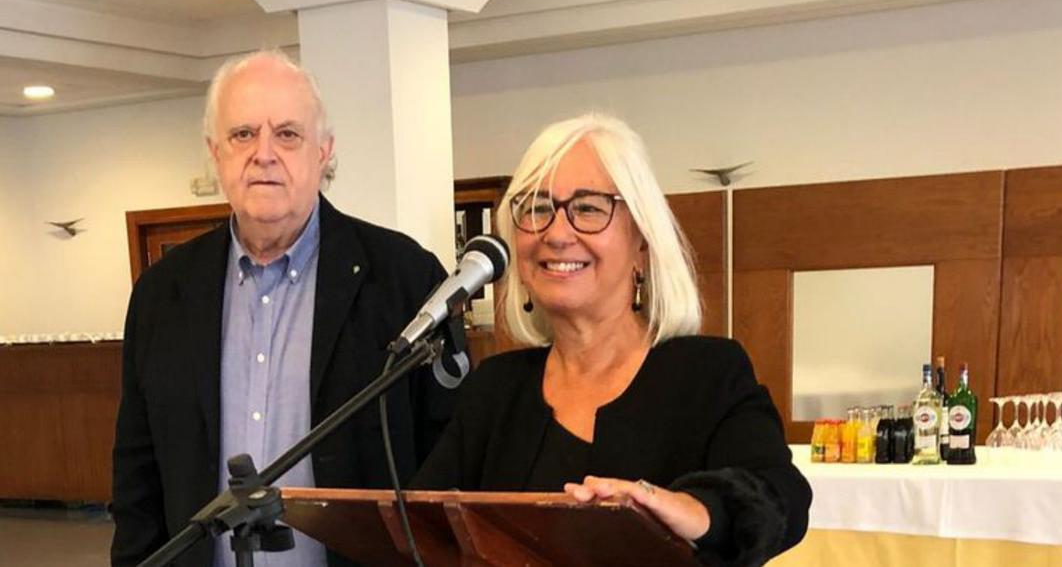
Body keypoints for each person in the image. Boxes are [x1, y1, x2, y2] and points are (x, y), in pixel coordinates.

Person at [411, 114, 811, 566]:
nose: (557, 234)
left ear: (641, 242)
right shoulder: (496, 388)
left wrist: (695, 509)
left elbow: (784, 497)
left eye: (588, 208)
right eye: (538, 208)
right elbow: (418, 528)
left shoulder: (707, 372)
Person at [111, 50, 460, 567]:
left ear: (324, 150)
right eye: (243, 134)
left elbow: (448, 460)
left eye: (288, 134)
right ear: (216, 152)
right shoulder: (163, 292)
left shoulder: (405, 277)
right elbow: (137, 471)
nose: (264, 153)